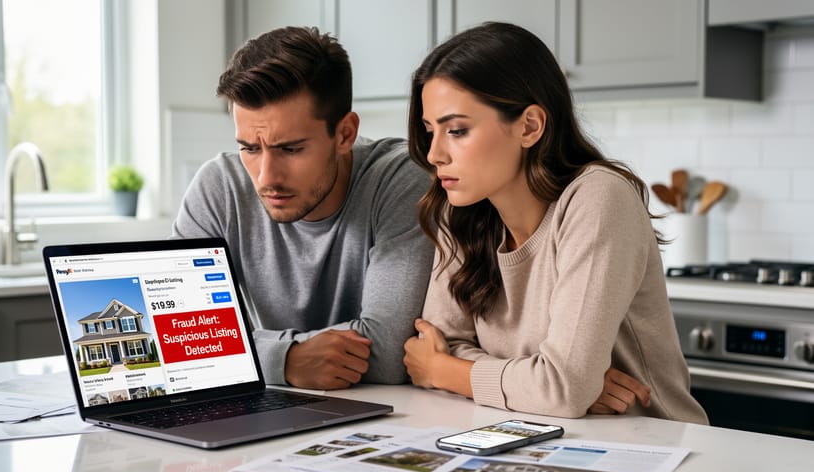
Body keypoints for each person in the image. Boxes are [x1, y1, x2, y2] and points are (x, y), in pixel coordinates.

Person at [402, 22, 708, 424]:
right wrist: (548, 385)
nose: (434, 154)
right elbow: (438, 344)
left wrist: (446, 372)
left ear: (530, 126)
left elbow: (561, 387)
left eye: (457, 130)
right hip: (536, 434)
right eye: (430, 131)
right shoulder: (460, 209)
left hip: (650, 441)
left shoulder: (598, 198)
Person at [171, 26, 434, 389]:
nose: (267, 177)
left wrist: (240, 352)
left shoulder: (400, 180)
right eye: (249, 148)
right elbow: (176, 339)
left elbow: (387, 354)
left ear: (345, 134)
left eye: (291, 149)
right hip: (277, 399)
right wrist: (286, 358)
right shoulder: (220, 186)